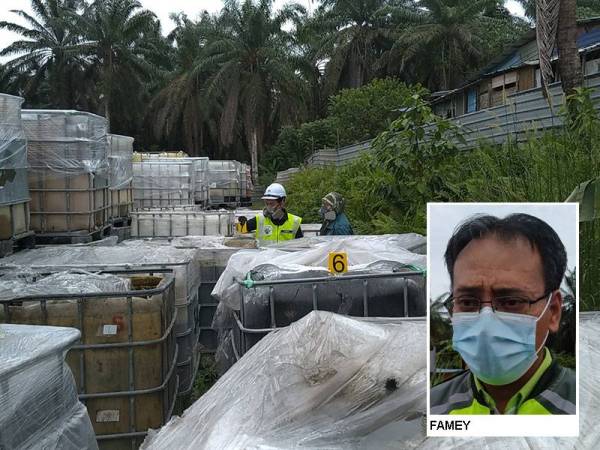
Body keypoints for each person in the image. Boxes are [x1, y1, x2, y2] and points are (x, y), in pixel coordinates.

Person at [430, 213, 575, 415]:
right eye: (468, 302)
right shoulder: (430, 410)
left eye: (511, 301)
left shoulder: (586, 410)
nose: (486, 323)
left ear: (553, 311)